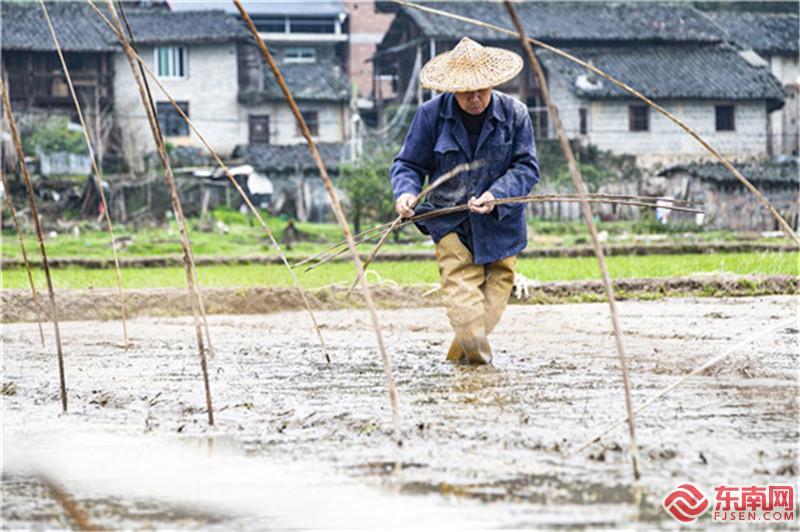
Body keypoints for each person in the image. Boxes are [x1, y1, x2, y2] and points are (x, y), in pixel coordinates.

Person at [390, 37, 540, 365]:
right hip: (450, 222)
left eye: (481, 89)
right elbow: (408, 165)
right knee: (463, 301)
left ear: (493, 83)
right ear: (451, 88)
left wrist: (496, 196)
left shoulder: (516, 115)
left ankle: (457, 363)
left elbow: (527, 167)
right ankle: (482, 368)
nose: (474, 97)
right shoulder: (430, 116)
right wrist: (405, 192)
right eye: (465, 90)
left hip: (502, 227)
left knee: (490, 310)